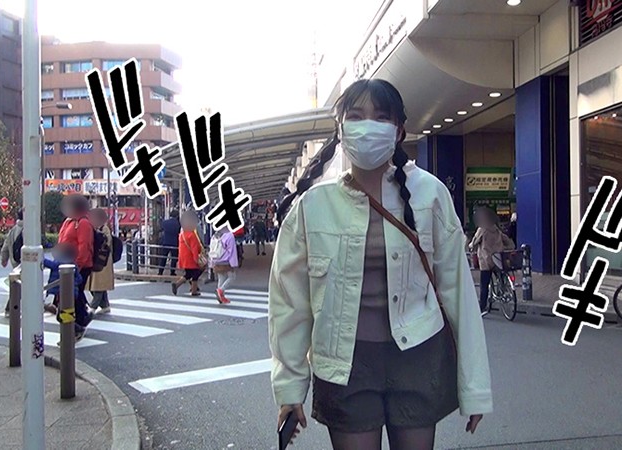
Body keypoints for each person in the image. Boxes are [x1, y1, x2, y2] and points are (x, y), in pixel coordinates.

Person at [268, 79, 492, 449]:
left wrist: (475, 388)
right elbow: (290, 305)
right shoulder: (312, 207)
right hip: (344, 363)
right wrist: (289, 389)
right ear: (341, 129)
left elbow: (457, 292)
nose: (368, 126)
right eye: (356, 116)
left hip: (418, 355)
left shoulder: (431, 194)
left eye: (381, 117)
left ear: (399, 130)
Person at [469, 207, 516, 316]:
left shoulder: (482, 229)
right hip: (499, 259)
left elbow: (474, 242)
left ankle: (482, 307)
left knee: (484, 285)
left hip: (486, 261)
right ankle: (503, 290)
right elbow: (509, 243)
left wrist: (471, 246)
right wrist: (504, 248)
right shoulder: (496, 230)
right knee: (500, 274)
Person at [57, 194, 94, 329]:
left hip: (79, 265)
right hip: (66, 264)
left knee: (73, 293)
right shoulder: (69, 221)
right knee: (73, 294)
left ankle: (78, 322)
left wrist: (78, 265)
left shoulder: (83, 222)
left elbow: (85, 246)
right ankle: (80, 318)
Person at [43, 243, 88, 341]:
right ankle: (69, 336)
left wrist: (40, 257)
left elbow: (51, 264)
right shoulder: (72, 263)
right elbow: (79, 279)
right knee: (64, 314)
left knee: (63, 315)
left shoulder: (62, 262)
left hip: (64, 292)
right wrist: (73, 283)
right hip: (69, 293)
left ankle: (76, 331)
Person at [87, 208, 115, 314]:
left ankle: (93, 306)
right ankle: (105, 305)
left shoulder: (104, 228)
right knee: (98, 284)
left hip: (103, 260)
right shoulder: (98, 228)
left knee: (98, 285)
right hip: (98, 260)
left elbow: (106, 243)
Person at [172, 210, 204, 296]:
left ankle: (178, 285)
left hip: (184, 258)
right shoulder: (192, 235)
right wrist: (196, 259)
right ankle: (193, 290)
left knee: (189, 274)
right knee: (196, 273)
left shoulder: (182, 234)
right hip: (191, 258)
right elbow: (194, 248)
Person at [0, 209, 24, 317]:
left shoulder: (14, 229)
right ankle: (10, 309)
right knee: (22, 287)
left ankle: (10, 309)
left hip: (15, 262)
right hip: (25, 262)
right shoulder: (29, 229)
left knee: (18, 285)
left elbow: (5, 245)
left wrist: (4, 259)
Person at [209, 227, 239, 304]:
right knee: (232, 277)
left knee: (221, 278)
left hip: (216, 259)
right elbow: (232, 251)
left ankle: (221, 297)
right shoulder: (229, 235)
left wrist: (211, 262)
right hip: (226, 260)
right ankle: (221, 290)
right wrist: (234, 264)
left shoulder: (215, 235)